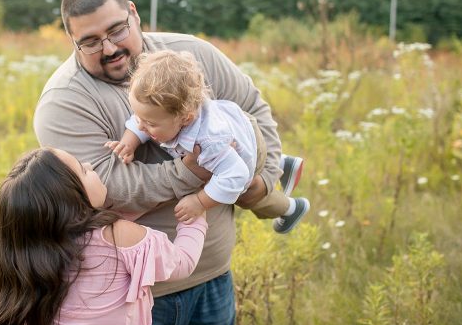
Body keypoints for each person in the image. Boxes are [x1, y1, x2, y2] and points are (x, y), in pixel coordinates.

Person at [33, 0, 302, 325]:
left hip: (213, 278)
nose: (109, 48)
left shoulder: (192, 56)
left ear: (134, 13)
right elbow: (113, 190)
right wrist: (196, 170)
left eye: (116, 30)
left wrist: (263, 180)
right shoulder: (64, 102)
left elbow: (252, 108)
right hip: (131, 296)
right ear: (72, 41)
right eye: (91, 41)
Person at [0, 148, 207, 325]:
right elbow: (183, 262)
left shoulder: (41, 250)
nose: (90, 165)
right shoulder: (119, 235)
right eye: (83, 170)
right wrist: (198, 208)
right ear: (73, 200)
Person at [105, 50, 309, 233]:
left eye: (150, 123)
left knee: (246, 193)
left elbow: (236, 175)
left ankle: (292, 208)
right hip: (236, 124)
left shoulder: (209, 145)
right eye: (140, 118)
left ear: (185, 118)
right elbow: (141, 119)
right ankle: (284, 162)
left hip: (245, 146)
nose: (141, 126)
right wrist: (129, 142)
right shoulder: (167, 112)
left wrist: (200, 201)